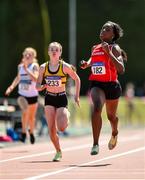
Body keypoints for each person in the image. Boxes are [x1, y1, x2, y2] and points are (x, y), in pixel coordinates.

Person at [80, 21, 125, 155]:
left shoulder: (114, 48)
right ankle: (95, 144)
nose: (103, 30)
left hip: (111, 85)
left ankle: (114, 132)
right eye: (103, 28)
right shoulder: (94, 47)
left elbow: (121, 69)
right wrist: (86, 64)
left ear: (113, 35)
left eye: (107, 29)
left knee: (111, 117)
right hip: (97, 84)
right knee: (97, 107)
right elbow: (94, 61)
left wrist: (108, 53)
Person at [36, 42, 80, 161]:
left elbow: (77, 79)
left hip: (61, 98)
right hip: (49, 98)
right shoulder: (43, 67)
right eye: (52, 49)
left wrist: (76, 96)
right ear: (48, 52)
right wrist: (42, 87)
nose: (54, 51)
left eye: (56, 49)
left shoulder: (65, 66)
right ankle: (58, 151)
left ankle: (67, 114)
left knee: (61, 128)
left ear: (60, 52)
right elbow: (37, 85)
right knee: (51, 129)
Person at [5, 47, 39, 144]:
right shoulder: (20, 67)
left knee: (32, 117)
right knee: (25, 111)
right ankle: (24, 133)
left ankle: (31, 132)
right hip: (22, 95)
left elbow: (36, 79)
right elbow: (18, 78)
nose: (27, 56)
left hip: (33, 95)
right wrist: (11, 87)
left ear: (33, 57)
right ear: (23, 56)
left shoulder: (34, 66)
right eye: (25, 54)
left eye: (30, 55)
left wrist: (27, 70)